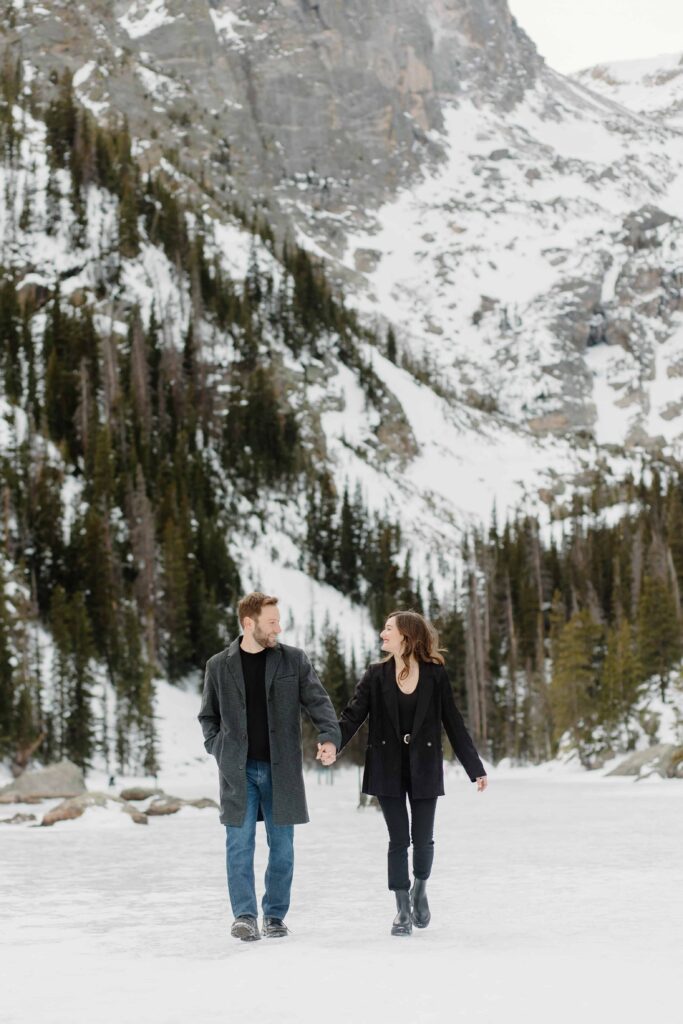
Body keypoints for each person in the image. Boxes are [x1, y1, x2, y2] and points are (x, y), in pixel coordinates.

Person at [318, 609, 487, 936]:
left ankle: (419, 889)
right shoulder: (375, 674)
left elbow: (453, 722)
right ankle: (401, 909)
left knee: (422, 839)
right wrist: (331, 743)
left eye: (388, 629)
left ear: (406, 637)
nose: (382, 634)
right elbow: (352, 716)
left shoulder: (435, 675)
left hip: (424, 767)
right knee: (398, 839)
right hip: (386, 767)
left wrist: (474, 767)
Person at [199, 592, 340, 942]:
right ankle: (245, 916)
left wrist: (329, 737)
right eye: (272, 621)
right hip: (238, 771)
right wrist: (220, 749)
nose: (279, 627)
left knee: (283, 847)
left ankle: (275, 916)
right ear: (249, 624)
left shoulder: (293, 660)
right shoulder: (219, 665)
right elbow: (208, 717)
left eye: (278, 620)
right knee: (239, 844)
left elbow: (319, 703)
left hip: (282, 771)